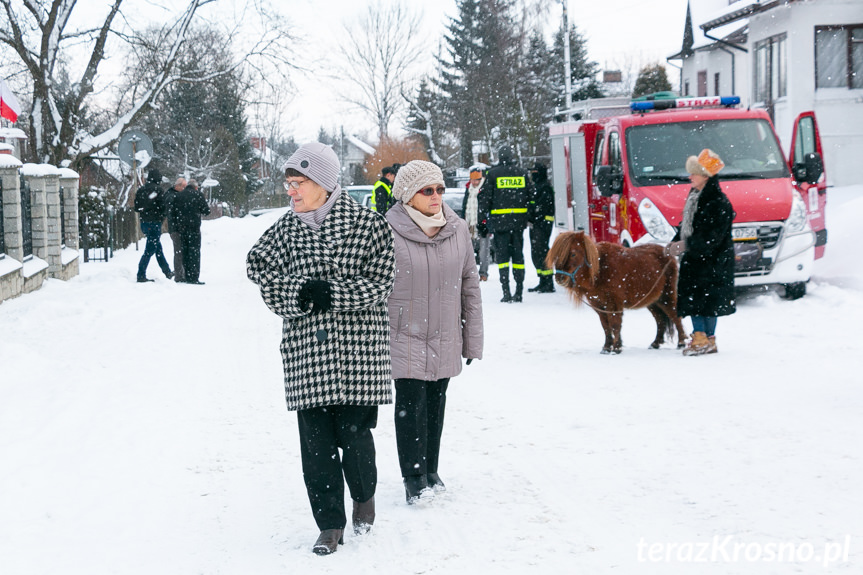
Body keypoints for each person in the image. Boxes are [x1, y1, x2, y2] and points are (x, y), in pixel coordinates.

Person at [246, 142, 395, 555]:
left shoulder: (368, 226)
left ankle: (364, 498)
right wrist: (299, 293)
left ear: (324, 185)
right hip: (307, 354)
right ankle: (329, 524)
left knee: (356, 438)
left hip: (358, 352)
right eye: (288, 183)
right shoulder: (283, 231)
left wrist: (333, 293)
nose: (290, 191)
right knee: (316, 448)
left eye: (297, 183)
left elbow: (381, 281)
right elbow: (259, 272)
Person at [386, 160, 483, 503]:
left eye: (440, 189)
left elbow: (470, 285)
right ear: (408, 196)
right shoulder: (386, 232)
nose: (436, 196)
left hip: (444, 334)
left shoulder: (456, 229)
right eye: (427, 190)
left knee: (436, 403)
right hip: (404, 334)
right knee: (411, 404)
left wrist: (471, 340)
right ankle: (413, 475)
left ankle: (430, 468)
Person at [665, 148, 736, 355]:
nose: (690, 177)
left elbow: (710, 238)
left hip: (711, 262)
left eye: (694, 173)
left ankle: (701, 338)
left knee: (702, 301)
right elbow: (687, 226)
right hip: (699, 261)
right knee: (702, 300)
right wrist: (675, 242)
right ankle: (706, 338)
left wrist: (685, 246)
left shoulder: (717, 202)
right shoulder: (696, 196)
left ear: (706, 176)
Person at [478, 145, 534, 303]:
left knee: (502, 258)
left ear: (499, 156)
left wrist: (482, 221)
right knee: (518, 257)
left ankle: (506, 291)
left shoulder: (493, 174)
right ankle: (519, 291)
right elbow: (531, 195)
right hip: (518, 225)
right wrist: (528, 215)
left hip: (500, 225)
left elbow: (484, 199)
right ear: (511, 156)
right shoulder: (522, 173)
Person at [134, 168, 173, 282]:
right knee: (150, 250)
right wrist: (161, 216)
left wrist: (145, 210)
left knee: (157, 248)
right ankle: (141, 274)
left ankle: (167, 272)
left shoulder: (141, 190)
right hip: (154, 223)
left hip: (144, 223)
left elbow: (137, 207)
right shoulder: (158, 190)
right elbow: (163, 206)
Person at [169, 178, 210, 285]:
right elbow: (206, 211)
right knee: (195, 252)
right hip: (194, 228)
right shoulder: (198, 195)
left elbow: (173, 212)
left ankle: (187, 275)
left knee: (185, 252)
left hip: (182, 228)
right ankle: (194, 277)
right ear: (196, 187)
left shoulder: (178, 196)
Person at [527, 162, 555, 293]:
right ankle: (542, 280)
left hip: (543, 225)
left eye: (534, 172)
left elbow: (543, 207)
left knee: (542, 251)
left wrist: (537, 219)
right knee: (536, 252)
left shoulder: (545, 187)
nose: (532, 175)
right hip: (536, 224)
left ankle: (548, 281)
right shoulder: (536, 186)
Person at [462, 166, 491, 281]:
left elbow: (487, 206)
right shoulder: (468, 189)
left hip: (482, 224)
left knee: (484, 250)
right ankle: (471, 273)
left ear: (480, 179)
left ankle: (483, 273)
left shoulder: (485, 188)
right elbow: (465, 206)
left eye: (476, 180)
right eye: (472, 180)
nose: (473, 182)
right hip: (469, 223)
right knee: (469, 250)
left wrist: (485, 222)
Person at [163, 177, 187, 283]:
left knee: (179, 251)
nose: (185, 189)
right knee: (178, 252)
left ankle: (181, 273)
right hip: (175, 228)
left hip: (176, 227)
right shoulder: (171, 196)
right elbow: (172, 212)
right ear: (177, 186)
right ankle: (179, 275)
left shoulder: (172, 195)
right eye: (183, 187)